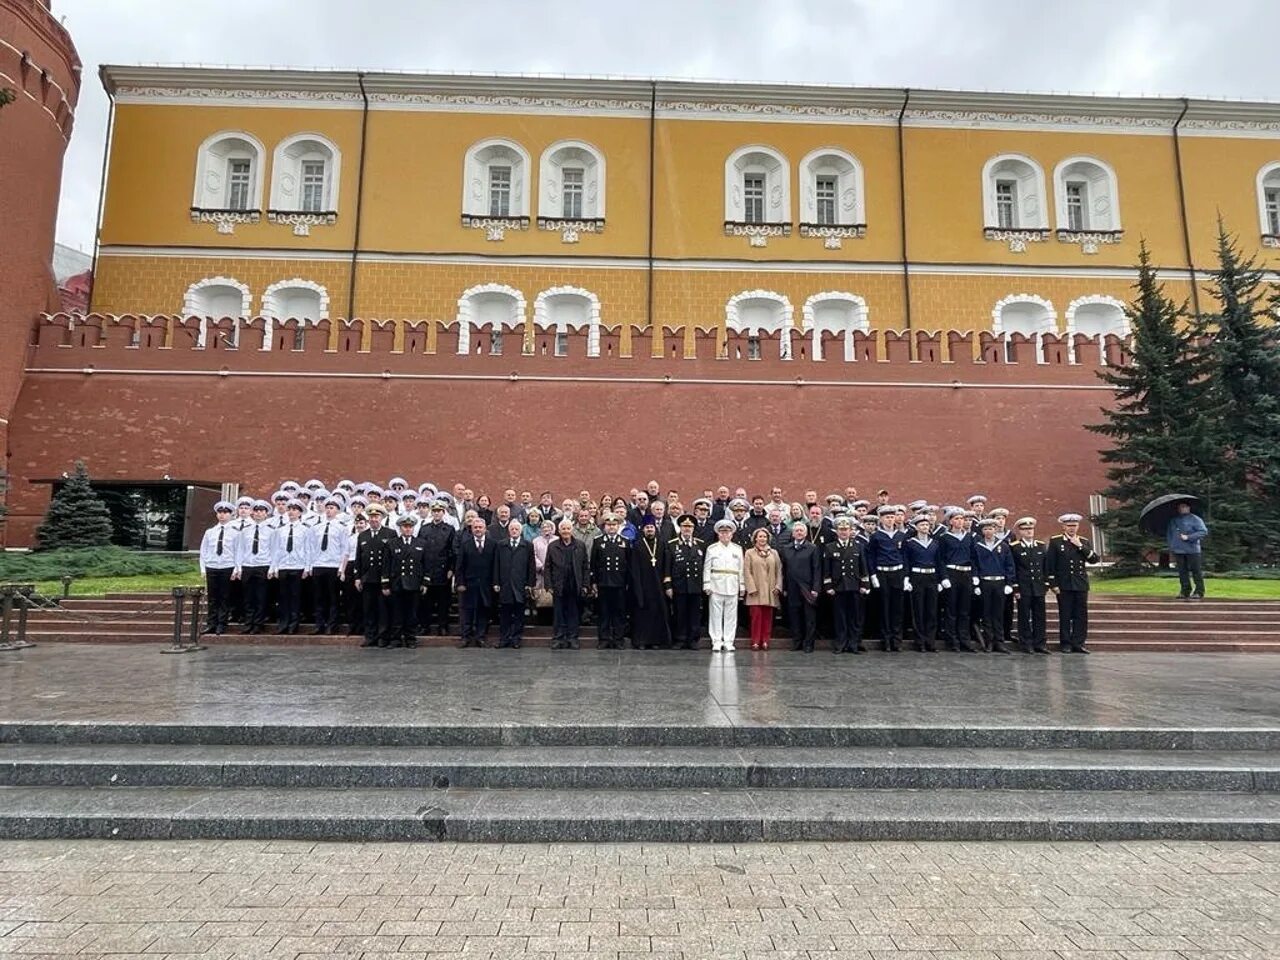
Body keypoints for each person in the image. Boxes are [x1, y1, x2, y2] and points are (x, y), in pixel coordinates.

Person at [1045, 512, 1100, 653]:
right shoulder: (1056, 541)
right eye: (1069, 526)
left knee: (1081, 615)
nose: (1072, 528)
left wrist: (1080, 546)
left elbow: (1094, 559)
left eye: (1074, 526)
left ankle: (1079, 642)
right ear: (1063, 526)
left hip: (1080, 583)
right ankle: (1066, 643)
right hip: (1064, 584)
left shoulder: (1083, 541)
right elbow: (1050, 565)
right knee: (1065, 614)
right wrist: (1053, 584)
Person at [824, 516, 869, 654]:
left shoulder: (858, 546)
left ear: (850, 531)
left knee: (854, 617)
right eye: (841, 529)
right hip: (838, 587)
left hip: (854, 586)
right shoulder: (830, 547)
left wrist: (865, 585)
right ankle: (841, 644)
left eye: (846, 529)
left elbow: (863, 567)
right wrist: (828, 586)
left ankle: (853, 644)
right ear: (836, 531)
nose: (844, 532)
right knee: (840, 618)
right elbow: (827, 569)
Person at [306, 496, 350, 635]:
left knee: (333, 597)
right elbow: (311, 548)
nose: (329, 511)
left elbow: (345, 549)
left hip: (333, 566)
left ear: (337, 510)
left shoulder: (341, 528)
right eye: (327, 508)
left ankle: (332, 625)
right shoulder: (316, 527)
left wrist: (341, 568)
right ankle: (320, 624)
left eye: (332, 508)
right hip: (319, 564)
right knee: (319, 597)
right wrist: (310, 566)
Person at [972, 518, 1016, 654]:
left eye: (990, 528)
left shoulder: (1003, 546)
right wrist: (976, 580)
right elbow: (975, 564)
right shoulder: (978, 546)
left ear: (995, 530)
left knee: (998, 613)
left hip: (999, 582)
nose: (988, 531)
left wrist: (1009, 583)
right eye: (985, 529)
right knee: (986, 613)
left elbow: (1010, 565)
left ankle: (999, 642)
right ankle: (989, 642)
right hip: (985, 582)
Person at [866, 505, 906, 652]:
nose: (890, 519)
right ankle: (886, 640)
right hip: (882, 573)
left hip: (897, 573)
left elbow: (904, 556)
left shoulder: (900, 535)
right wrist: (873, 575)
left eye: (892, 517)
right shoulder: (876, 536)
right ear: (881, 519)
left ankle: (897, 640)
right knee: (884, 607)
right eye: (887, 517)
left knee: (897, 608)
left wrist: (905, 576)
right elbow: (871, 556)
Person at [546, 518, 590, 650]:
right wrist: (548, 585)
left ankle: (572, 638)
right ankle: (558, 638)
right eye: (563, 529)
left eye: (568, 528)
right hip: (559, 584)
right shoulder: (553, 546)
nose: (566, 531)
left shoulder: (580, 545)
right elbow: (548, 567)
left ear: (572, 530)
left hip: (575, 584)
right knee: (558, 613)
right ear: (559, 531)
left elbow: (585, 566)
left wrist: (585, 584)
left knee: (573, 613)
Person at [268, 498, 310, 635]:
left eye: (294, 510)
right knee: (283, 596)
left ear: (300, 513)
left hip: (298, 566)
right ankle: (283, 623)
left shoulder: (305, 530)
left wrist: (307, 567)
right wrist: (273, 567)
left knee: (295, 596)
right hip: (283, 566)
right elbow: (276, 550)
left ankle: (294, 623)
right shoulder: (280, 530)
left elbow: (308, 549)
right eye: (290, 510)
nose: (291, 512)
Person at [351, 503, 391, 646]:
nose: (374, 519)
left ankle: (382, 637)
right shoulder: (363, 535)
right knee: (368, 609)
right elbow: (358, 558)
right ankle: (370, 636)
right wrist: (357, 577)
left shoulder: (389, 533)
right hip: (367, 578)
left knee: (383, 610)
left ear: (382, 518)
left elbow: (391, 559)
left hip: (382, 578)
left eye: (377, 516)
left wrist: (388, 580)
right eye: (372, 517)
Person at [628, 519, 672, 649]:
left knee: (657, 613)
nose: (649, 529)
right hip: (643, 585)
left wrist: (667, 584)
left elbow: (667, 565)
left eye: (651, 527)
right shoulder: (637, 546)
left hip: (658, 585)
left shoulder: (662, 544)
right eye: (647, 527)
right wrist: (637, 587)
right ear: (643, 529)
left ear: (655, 529)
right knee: (642, 613)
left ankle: (656, 641)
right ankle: (642, 641)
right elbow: (634, 568)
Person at [937, 507, 976, 652]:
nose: (960, 521)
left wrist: (974, 577)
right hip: (952, 573)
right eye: (957, 519)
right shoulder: (944, 538)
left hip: (965, 574)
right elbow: (940, 559)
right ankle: (952, 640)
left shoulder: (969, 537)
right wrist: (944, 577)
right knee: (951, 609)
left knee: (964, 610)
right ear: (951, 521)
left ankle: (964, 640)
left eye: (962, 519)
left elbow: (973, 558)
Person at [384, 515, 427, 648]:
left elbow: (425, 564)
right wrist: (385, 583)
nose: (408, 529)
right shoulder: (392, 543)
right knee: (396, 613)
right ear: (400, 528)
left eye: (410, 527)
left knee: (412, 613)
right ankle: (396, 639)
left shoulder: (421, 543)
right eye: (405, 527)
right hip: (397, 583)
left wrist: (425, 582)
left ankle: (410, 638)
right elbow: (387, 564)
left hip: (414, 584)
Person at [198, 501, 240, 636]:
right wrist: (203, 569)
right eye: (220, 513)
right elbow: (203, 551)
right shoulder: (210, 532)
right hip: (212, 566)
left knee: (224, 597)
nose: (222, 515)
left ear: (231, 515)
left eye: (225, 513)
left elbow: (238, 551)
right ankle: (211, 623)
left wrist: (236, 568)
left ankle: (222, 624)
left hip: (227, 566)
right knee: (212, 598)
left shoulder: (235, 533)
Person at [703, 518, 745, 652]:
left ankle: (728, 641)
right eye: (722, 532)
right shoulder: (712, 548)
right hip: (716, 584)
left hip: (732, 584)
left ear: (732, 534)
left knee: (731, 616)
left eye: (727, 532)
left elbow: (741, 568)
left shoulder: (737, 549)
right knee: (715, 614)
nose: (725, 535)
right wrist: (706, 584)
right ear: (718, 534)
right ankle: (716, 640)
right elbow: (707, 567)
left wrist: (742, 586)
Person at [665, 514, 707, 650]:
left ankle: (693, 639)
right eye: (685, 526)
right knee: (679, 613)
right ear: (680, 527)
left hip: (695, 585)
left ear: (693, 528)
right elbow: (667, 568)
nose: (687, 529)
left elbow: (705, 566)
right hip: (679, 585)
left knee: (695, 614)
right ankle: (680, 639)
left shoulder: (700, 544)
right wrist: (668, 586)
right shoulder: (672, 545)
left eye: (690, 526)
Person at [1009, 516, 1050, 654]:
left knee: (1040, 615)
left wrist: (1046, 583)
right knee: (1024, 616)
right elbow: (1013, 568)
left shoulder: (1040, 546)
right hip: (1023, 587)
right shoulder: (1015, 547)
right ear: (1020, 531)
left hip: (1038, 586)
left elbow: (1045, 567)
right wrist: (1016, 587)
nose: (1029, 532)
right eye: (1025, 529)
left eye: (1031, 529)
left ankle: (1040, 643)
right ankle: (1026, 643)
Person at [454, 515, 496, 647]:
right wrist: (460, 583)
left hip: (486, 585)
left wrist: (495, 583)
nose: (478, 529)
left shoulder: (493, 544)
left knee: (483, 611)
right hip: (469, 585)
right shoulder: (465, 545)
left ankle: (480, 637)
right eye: (475, 527)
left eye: (480, 527)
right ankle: (465, 637)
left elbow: (496, 566)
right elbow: (459, 566)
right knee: (468, 612)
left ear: (485, 529)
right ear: (471, 529)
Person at [492, 518, 535, 648]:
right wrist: (496, 582)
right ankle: (504, 638)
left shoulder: (527, 545)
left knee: (519, 615)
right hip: (505, 584)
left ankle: (516, 638)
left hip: (520, 585)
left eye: (517, 529)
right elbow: (496, 564)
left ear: (520, 531)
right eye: (512, 529)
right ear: (509, 531)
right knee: (505, 614)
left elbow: (531, 566)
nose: (514, 531)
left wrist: (530, 583)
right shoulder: (501, 544)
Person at [780, 521, 821, 653]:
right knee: (794, 616)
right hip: (792, 588)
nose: (799, 532)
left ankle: (808, 643)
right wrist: (784, 588)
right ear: (793, 533)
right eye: (796, 530)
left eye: (801, 530)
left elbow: (817, 569)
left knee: (809, 617)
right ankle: (797, 641)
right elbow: (784, 570)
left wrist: (816, 588)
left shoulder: (812, 548)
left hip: (807, 588)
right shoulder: (786, 549)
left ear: (806, 533)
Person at [902, 513, 941, 652]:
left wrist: (941, 579)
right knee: (918, 610)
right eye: (922, 525)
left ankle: (930, 641)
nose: (925, 527)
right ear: (916, 527)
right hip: (917, 577)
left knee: (931, 611)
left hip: (931, 576)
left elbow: (939, 562)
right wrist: (906, 578)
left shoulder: (935, 543)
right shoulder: (910, 543)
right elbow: (906, 561)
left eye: (927, 525)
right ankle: (920, 642)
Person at [417, 501, 455, 636]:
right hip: (427, 569)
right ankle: (424, 626)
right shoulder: (424, 528)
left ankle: (443, 626)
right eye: (434, 511)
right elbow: (419, 549)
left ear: (443, 512)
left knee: (443, 601)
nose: (436, 513)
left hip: (443, 570)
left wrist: (451, 568)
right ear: (431, 512)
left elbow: (452, 550)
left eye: (439, 511)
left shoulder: (449, 529)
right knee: (425, 600)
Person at [591, 514, 630, 649]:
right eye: (609, 525)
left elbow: (629, 564)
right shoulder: (598, 541)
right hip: (603, 583)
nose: (611, 527)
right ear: (605, 526)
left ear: (618, 526)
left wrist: (627, 583)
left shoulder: (625, 541)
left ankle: (618, 639)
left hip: (619, 583)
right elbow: (594, 564)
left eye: (614, 525)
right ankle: (604, 639)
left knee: (619, 612)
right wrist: (594, 582)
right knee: (604, 613)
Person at [238, 500, 275, 635]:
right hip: (248, 565)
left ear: (266, 514)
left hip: (263, 565)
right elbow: (240, 550)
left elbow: (274, 550)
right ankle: (249, 623)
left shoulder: (271, 530)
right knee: (248, 597)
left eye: (262, 511)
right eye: (256, 511)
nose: (259, 513)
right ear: (252, 513)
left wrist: (272, 568)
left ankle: (258, 624)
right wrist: (239, 567)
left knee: (261, 597)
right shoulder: (246, 530)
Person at [743, 526, 782, 650]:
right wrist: (751, 588)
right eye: (760, 536)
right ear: (755, 538)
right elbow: (746, 571)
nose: (762, 539)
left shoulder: (774, 553)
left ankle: (765, 640)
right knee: (756, 617)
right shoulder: (749, 552)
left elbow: (779, 570)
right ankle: (755, 641)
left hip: (770, 590)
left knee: (767, 617)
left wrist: (778, 585)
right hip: (756, 591)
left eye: (764, 536)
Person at [1167, 502, 1209, 600]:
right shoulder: (1174, 520)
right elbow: (1170, 534)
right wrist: (1172, 546)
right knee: (1182, 572)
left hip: (1192, 550)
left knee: (1196, 571)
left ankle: (1199, 591)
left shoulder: (1195, 519)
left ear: (1188, 508)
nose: (1182, 509)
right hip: (1178, 550)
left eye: (1184, 507)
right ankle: (1185, 590)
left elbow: (1203, 532)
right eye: (1180, 507)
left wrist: (1189, 537)